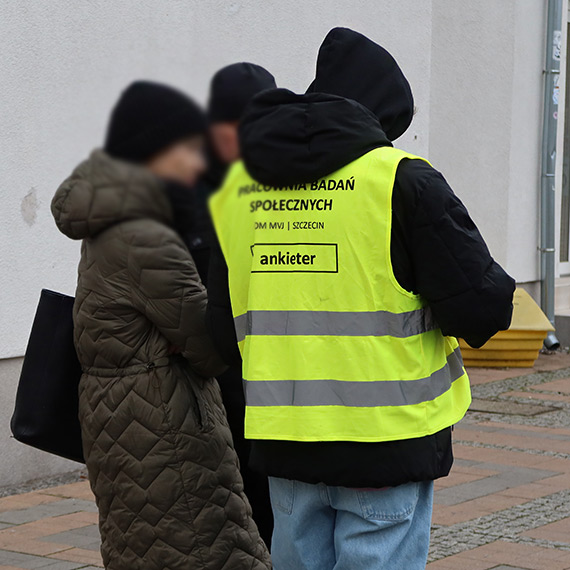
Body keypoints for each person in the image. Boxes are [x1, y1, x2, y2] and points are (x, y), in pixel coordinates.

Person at [207, 28, 515, 569]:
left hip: (286, 441)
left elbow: (218, 332)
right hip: (386, 443)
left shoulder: (238, 192)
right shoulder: (400, 182)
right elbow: (482, 308)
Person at [51, 80, 271, 570]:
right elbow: (210, 347)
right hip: (164, 421)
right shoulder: (147, 236)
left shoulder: (110, 219)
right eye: (188, 150)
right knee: (204, 548)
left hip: (120, 416)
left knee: (145, 546)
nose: (198, 164)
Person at [182, 62, 277, 545]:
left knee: (274, 512)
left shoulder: (286, 182)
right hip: (209, 381)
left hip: (278, 376)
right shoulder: (185, 191)